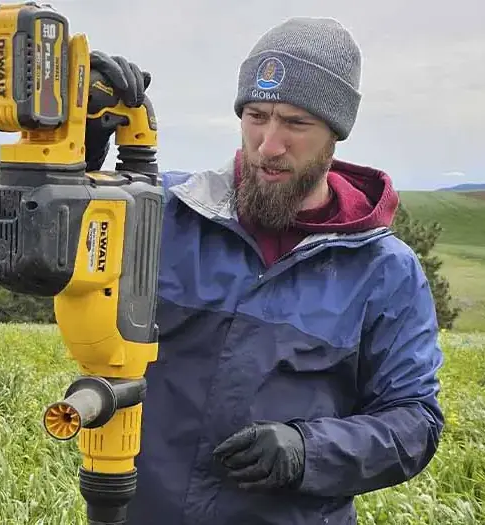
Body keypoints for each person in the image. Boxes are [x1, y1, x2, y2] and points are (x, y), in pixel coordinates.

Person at [85, 16, 445, 525]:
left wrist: (308, 450)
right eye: (256, 116)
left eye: (296, 124)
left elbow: (415, 422)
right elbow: (34, 259)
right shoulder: (161, 213)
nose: (269, 145)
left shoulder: (385, 272)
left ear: (334, 134)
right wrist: (81, 148)